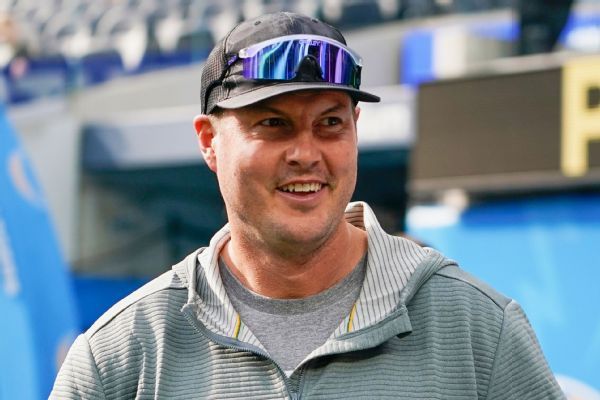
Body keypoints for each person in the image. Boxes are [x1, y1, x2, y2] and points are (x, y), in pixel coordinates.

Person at [51, 12, 565, 399]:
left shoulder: (477, 329)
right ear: (209, 141)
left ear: (355, 129)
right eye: (273, 124)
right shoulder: (124, 353)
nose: (306, 153)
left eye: (330, 123)